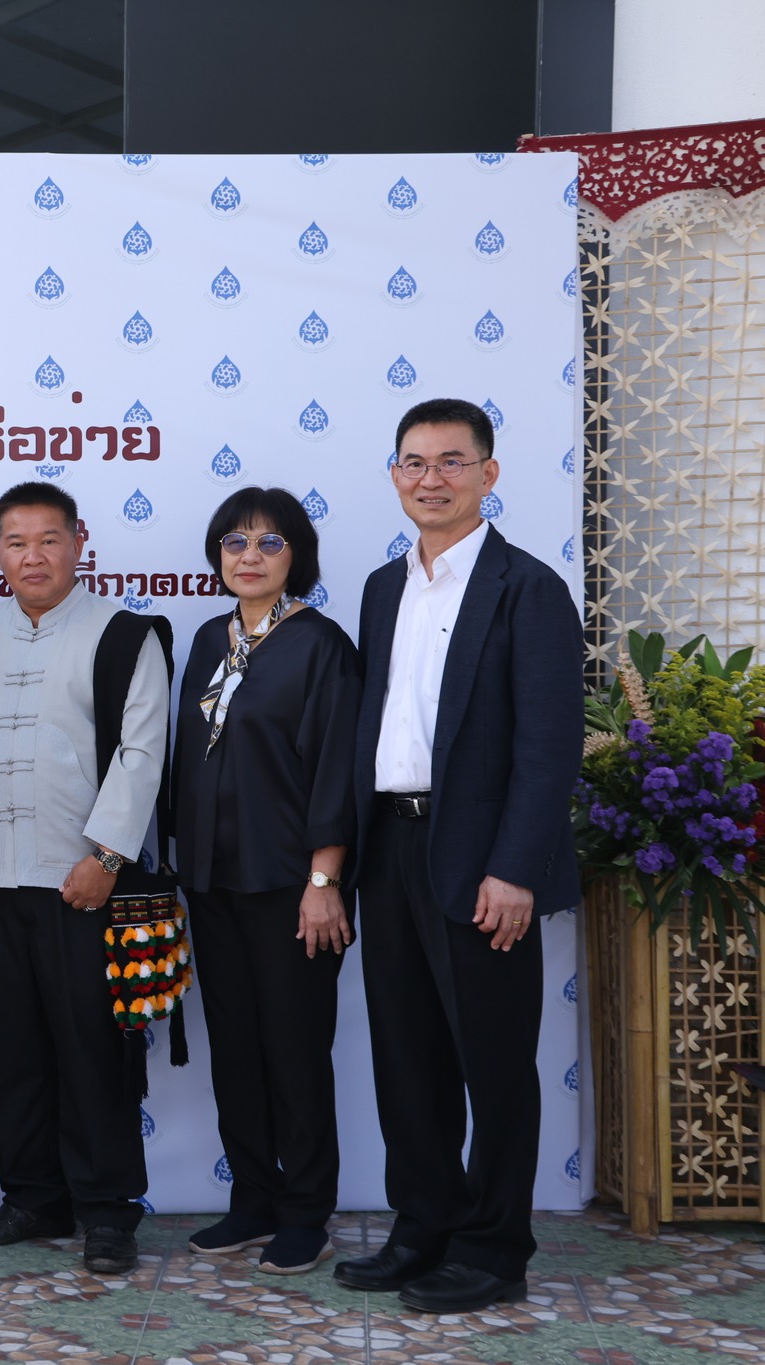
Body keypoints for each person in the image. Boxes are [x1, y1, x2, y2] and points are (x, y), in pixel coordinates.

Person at [334, 398, 581, 1312]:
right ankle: (423, 1226)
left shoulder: (528, 588)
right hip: (391, 848)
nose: (430, 478)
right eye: (414, 462)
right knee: (407, 1057)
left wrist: (515, 868)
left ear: (489, 473)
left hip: (483, 860)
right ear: (394, 474)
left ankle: (494, 1248)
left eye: (451, 461)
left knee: (494, 1061)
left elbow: (549, 746)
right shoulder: (381, 587)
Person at [0, 480, 168, 1276]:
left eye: (49, 539)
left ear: (78, 541)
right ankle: (33, 1197)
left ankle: (107, 1209)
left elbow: (141, 752)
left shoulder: (124, 634)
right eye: (17, 542)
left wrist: (106, 857)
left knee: (95, 1048)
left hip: (83, 881)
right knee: (13, 1050)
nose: (34, 556)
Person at [172, 488, 361, 1276]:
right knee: (237, 1049)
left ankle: (306, 1211)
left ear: (297, 555)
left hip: (292, 884)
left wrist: (324, 878)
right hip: (214, 880)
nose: (249, 555)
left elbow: (338, 768)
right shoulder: (208, 639)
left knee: (294, 1049)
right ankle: (252, 1197)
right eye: (235, 541)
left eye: (269, 542)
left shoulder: (321, 645)